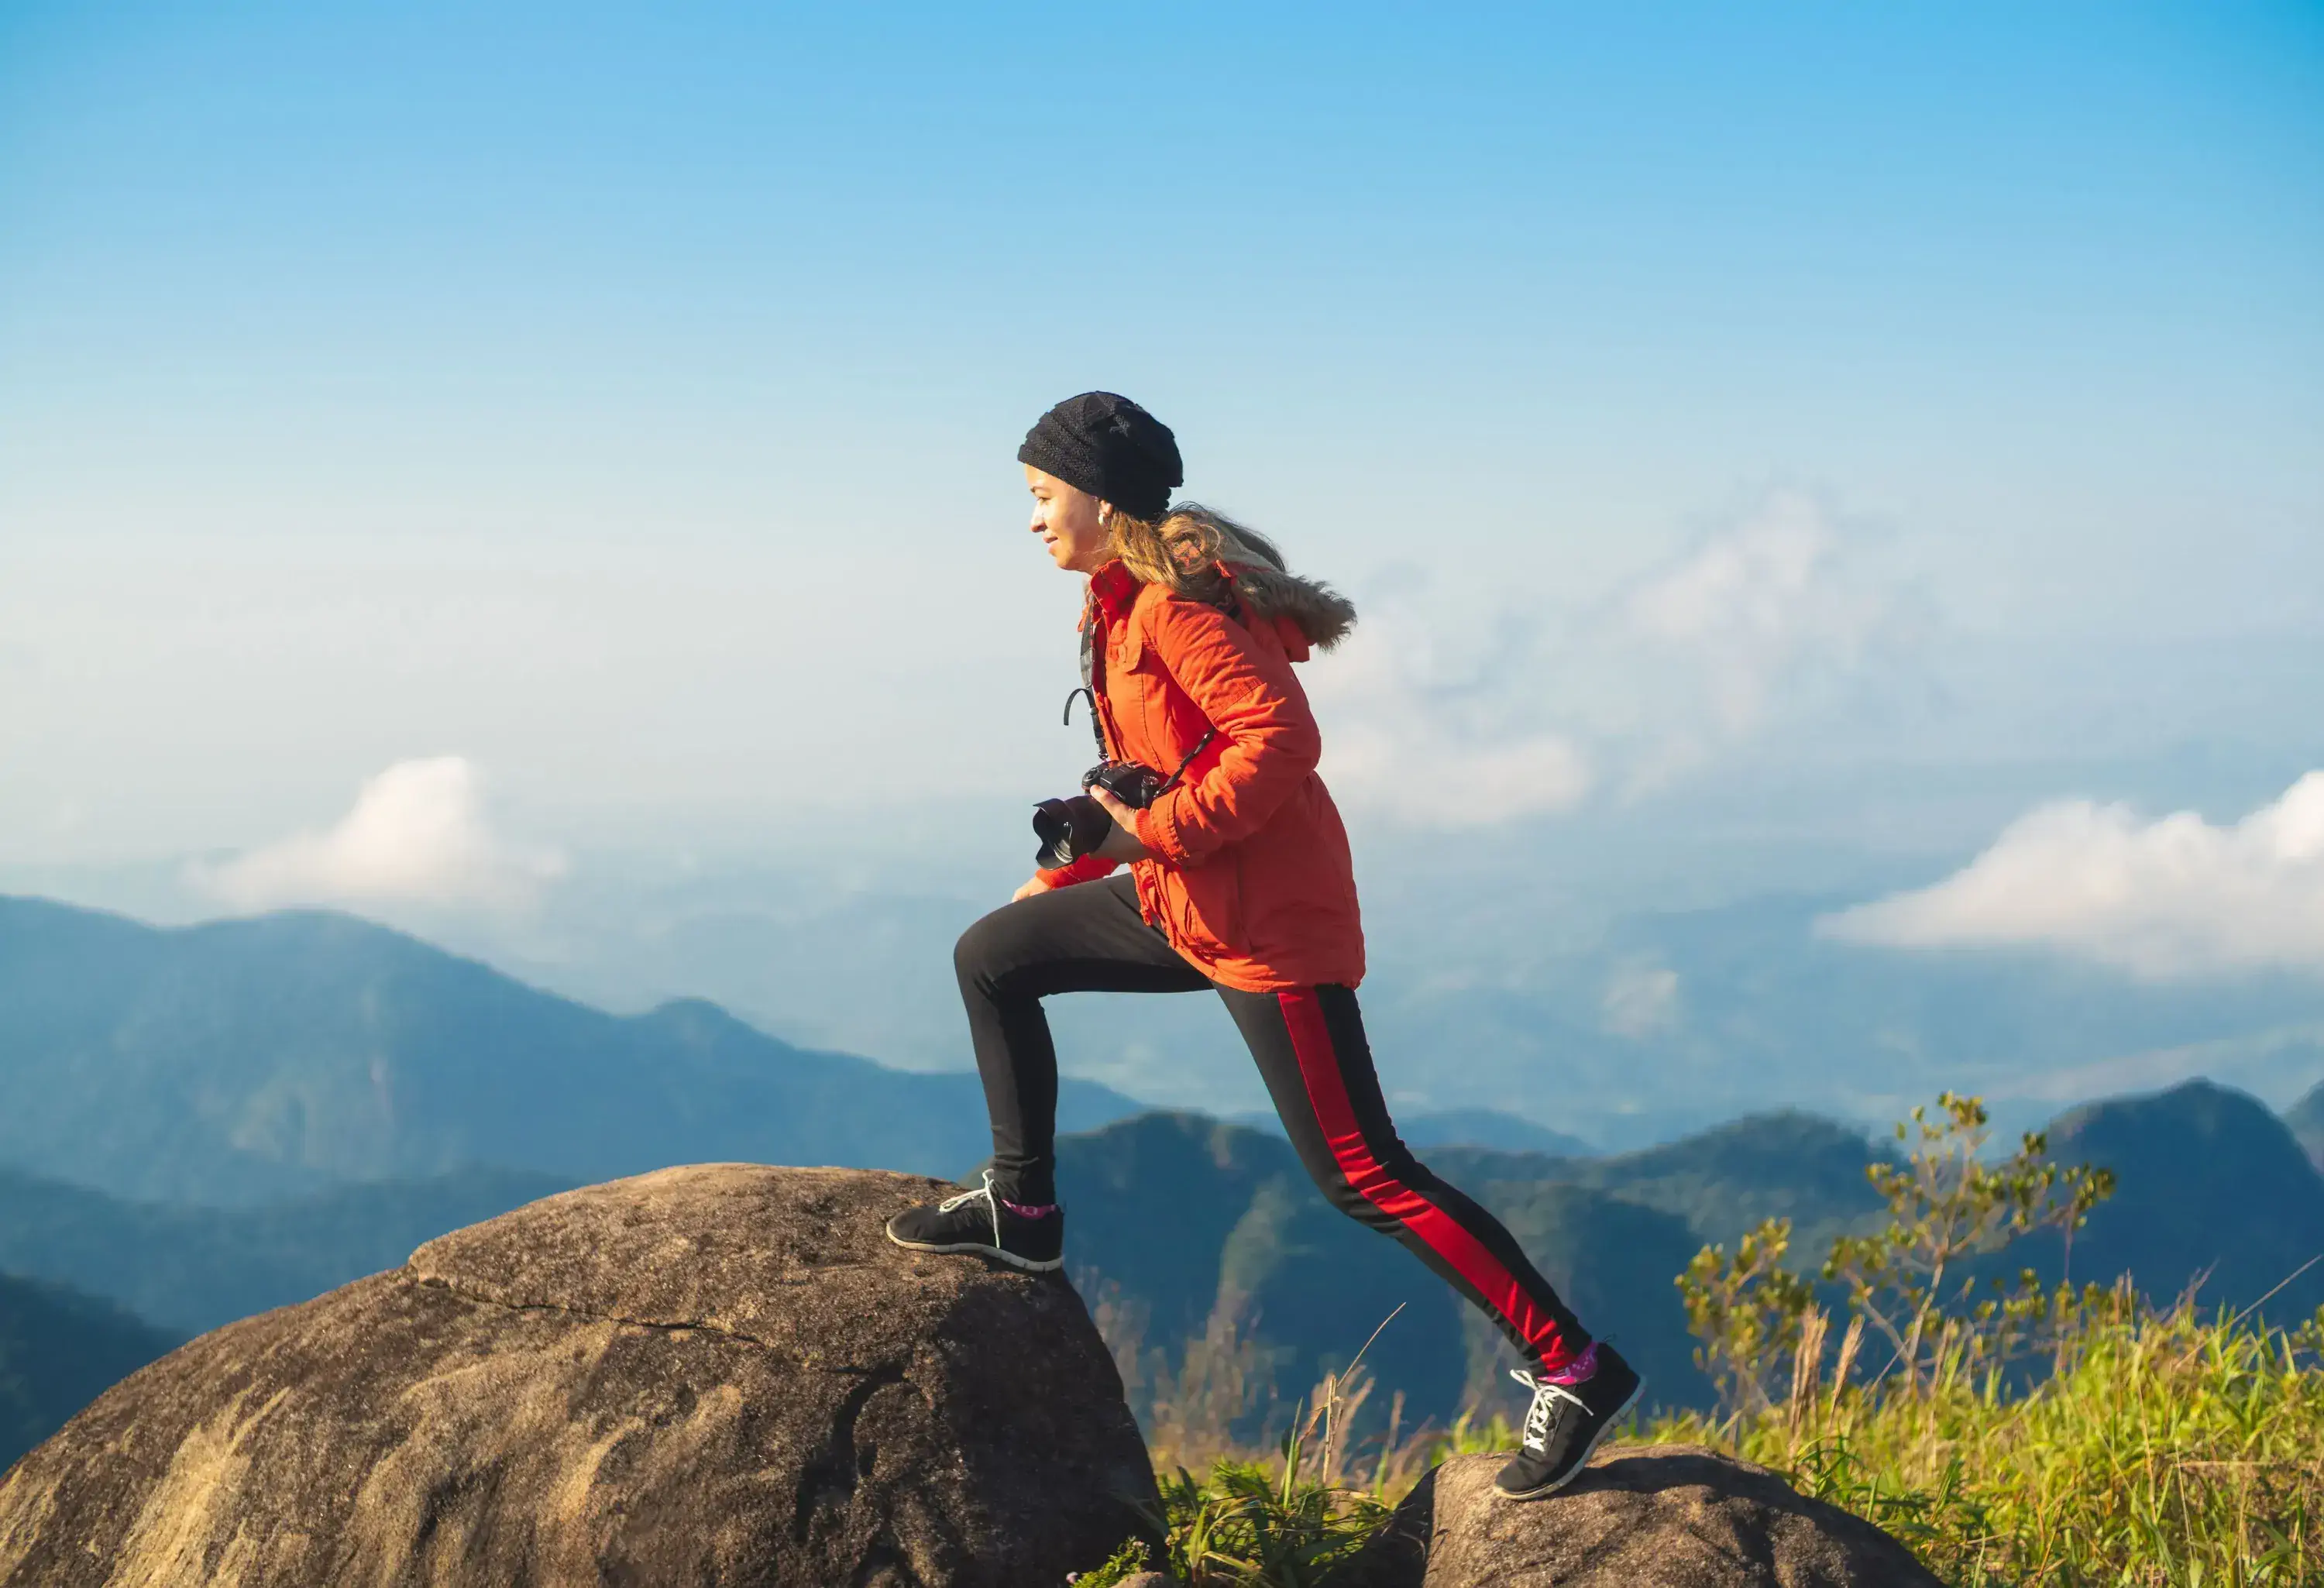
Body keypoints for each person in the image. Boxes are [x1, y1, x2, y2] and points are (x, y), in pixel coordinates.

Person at [885, 391, 1640, 1500]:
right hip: (1183, 901)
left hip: (1267, 931)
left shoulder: (1173, 611)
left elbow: (1281, 739)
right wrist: (1078, 859)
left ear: (1099, 498)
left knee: (1363, 1175)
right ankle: (1024, 1208)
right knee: (992, 954)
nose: (1033, 519)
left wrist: (1163, 829)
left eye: (1043, 497)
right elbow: (1154, 769)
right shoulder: (1114, 607)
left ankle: (1573, 1365)